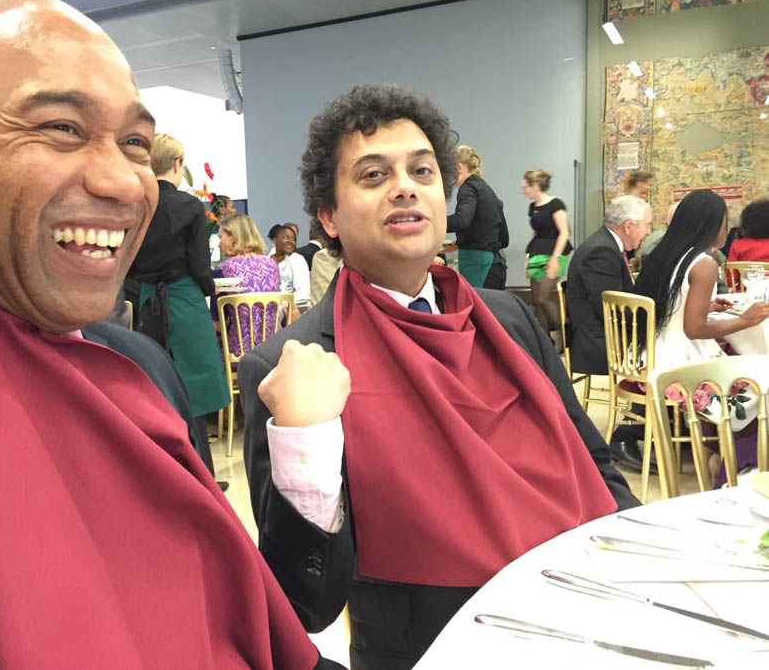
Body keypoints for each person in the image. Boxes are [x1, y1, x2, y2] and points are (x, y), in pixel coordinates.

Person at [0, 0, 341, 668]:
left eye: (135, 144)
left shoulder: (140, 365)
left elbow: (245, 612)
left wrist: (304, 452)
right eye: (61, 128)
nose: (123, 182)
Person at [240, 84, 637, 670]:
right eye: (373, 175)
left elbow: (594, 462)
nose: (405, 186)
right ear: (328, 216)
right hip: (434, 647)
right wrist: (306, 441)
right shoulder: (292, 366)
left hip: (587, 610)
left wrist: (634, 557)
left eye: (422, 171)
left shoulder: (507, 318)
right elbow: (305, 605)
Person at [125, 133, 231, 478]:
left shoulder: (136, 204)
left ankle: (171, 475)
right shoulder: (190, 206)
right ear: (177, 164)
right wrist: (208, 287)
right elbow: (200, 265)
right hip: (184, 300)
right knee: (194, 391)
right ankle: (203, 474)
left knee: (157, 385)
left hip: (147, 303)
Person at [634, 190, 769, 437]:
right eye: (726, 222)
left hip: (646, 353)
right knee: (761, 376)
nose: (728, 229)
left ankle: (712, 444)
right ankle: (726, 447)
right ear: (713, 224)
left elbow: (671, 305)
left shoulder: (665, 254)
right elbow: (694, 329)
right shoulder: (704, 263)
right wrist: (745, 320)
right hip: (676, 360)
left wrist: (706, 307)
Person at [565, 195, 652, 471]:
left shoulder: (606, 245)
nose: (648, 232)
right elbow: (614, 311)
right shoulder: (601, 251)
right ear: (628, 225)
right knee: (660, 355)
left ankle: (661, 427)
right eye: (646, 225)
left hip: (605, 333)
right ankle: (627, 435)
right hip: (599, 342)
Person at [212, 212, 282, 357]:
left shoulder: (223, 270)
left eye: (220, 237)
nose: (218, 243)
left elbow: (219, 324)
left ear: (233, 237)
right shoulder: (272, 264)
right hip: (275, 349)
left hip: (240, 353)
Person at [446, 145, 509, 288]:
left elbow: (462, 220)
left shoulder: (468, 188)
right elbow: (504, 238)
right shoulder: (488, 191)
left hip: (475, 261)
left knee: (472, 301)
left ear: (459, 167)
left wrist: (433, 222)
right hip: (496, 264)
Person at [522, 168, 572, 342]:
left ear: (535, 185)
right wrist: (528, 258)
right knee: (536, 300)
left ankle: (564, 332)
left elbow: (564, 232)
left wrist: (554, 259)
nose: (523, 191)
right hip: (537, 252)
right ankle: (545, 341)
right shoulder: (532, 207)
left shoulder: (556, 204)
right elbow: (535, 233)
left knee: (542, 298)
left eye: (525, 187)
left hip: (555, 254)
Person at [269, 223, 310, 310]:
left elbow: (304, 293)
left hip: (290, 308)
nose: (291, 241)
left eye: (293, 239)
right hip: (267, 305)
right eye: (286, 237)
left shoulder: (298, 260)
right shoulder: (267, 260)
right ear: (275, 240)